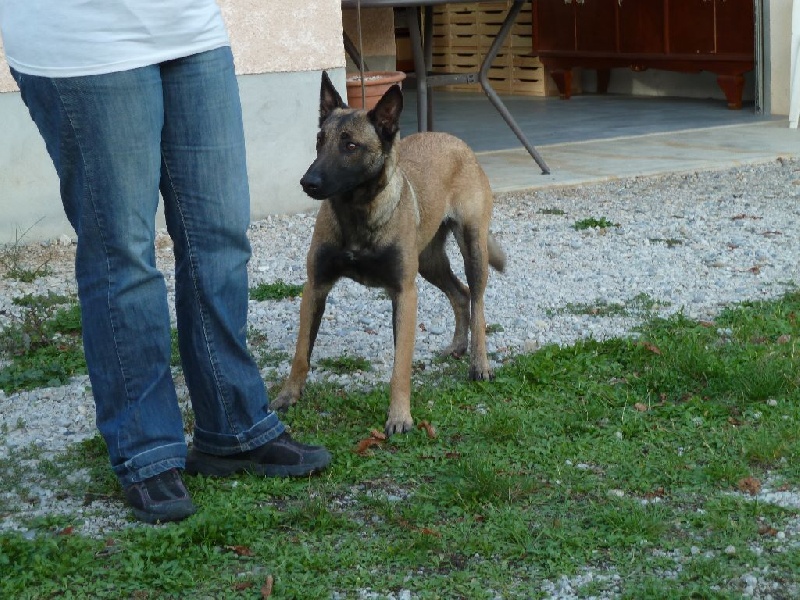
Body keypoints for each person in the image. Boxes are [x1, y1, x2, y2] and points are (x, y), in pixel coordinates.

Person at [0, 1, 331, 524]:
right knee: (122, 254)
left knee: (219, 235)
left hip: (188, 27)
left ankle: (233, 425)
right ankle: (145, 446)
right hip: (83, 40)